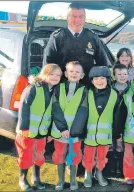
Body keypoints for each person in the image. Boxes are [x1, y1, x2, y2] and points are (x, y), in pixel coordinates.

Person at [15, 64, 62, 191]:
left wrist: (50, 132)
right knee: (25, 155)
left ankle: (36, 178)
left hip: (42, 132)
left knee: (39, 155)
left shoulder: (54, 92)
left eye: (58, 75)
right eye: (52, 74)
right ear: (44, 74)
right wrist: (24, 128)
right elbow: (24, 107)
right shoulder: (33, 88)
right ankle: (22, 179)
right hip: (27, 131)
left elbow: (52, 114)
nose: (55, 77)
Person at [43, 3, 110, 87]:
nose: (77, 20)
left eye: (81, 16)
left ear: (85, 18)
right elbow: (48, 65)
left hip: (87, 86)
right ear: (67, 18)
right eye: (74, 16)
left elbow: (103, 63)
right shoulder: (57, 37)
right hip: (62, 87)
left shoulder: (93, 37)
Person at [51, 61, 88, 190]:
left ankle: (72, 180)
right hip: (59, 131)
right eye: (71, 71)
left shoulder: (85, 90)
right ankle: (61, 181)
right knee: (59, 154)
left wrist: (74, 131)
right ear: (66, 73)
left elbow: (83, 112)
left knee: (73, 155)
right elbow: (55, 108)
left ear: (82, 75)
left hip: (75, 133)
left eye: (77, 72)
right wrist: (63, 128)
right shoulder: (58, 88)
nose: (74, 74)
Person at [82, 66, 120, 188]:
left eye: (102, 78)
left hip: (105, 136)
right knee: (88, 156)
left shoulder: (115, 95)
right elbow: (82, 113)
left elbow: (118, 116)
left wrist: (116, 133)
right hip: (89, 135)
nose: (99, 81)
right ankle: (88, 173)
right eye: (96, 78)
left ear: (108, 79)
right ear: (92, 81)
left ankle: (99, 173)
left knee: (102, 157)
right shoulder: (87, 93)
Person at [109, 64, 131, 176]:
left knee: (120, 145)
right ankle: (111, 166)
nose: (122, 76)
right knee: (111, 145)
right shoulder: (110, 88)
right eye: (119, 74)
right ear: (114, 76)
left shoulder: (131, 89)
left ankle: (121, 167)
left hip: (126, 122)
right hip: (112, 122)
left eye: (125, 74)